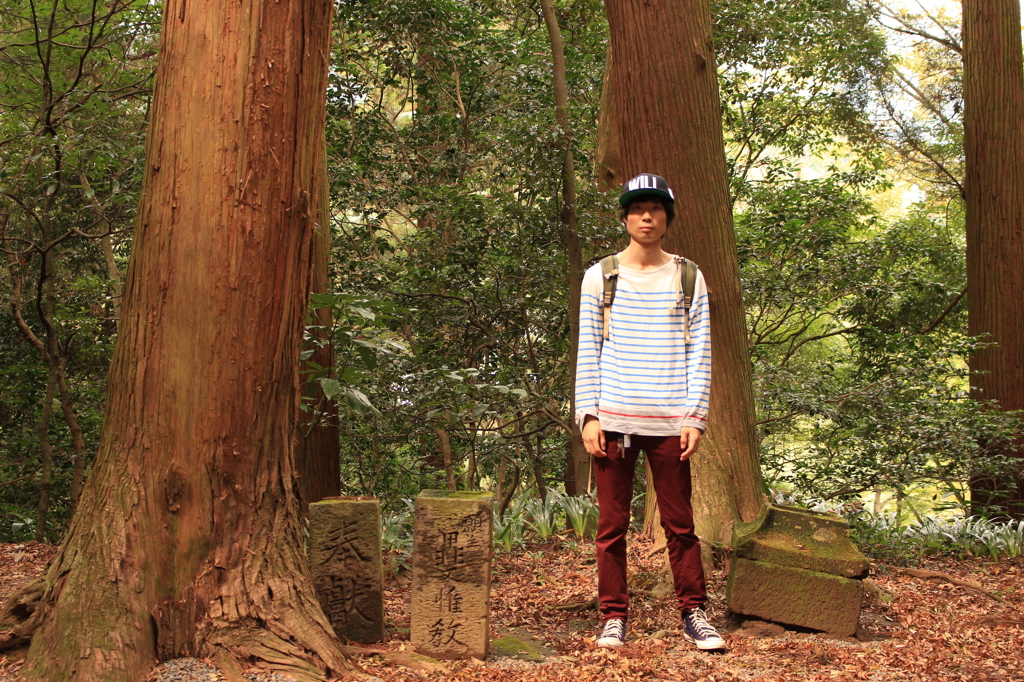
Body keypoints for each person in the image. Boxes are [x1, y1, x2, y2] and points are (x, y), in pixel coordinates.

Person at [574, 173, 725, 651]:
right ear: (624, 217)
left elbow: (701, 349)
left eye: (655, 209)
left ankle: (695, 613)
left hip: (669, 420)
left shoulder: (688, 275)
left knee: (680, 524)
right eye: (637, 208)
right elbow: (588, 348)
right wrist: (588, 415)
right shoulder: (602, 275)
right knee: (610, 526)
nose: (646, 216)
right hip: (614, 417)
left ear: (667, 218)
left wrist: (694, 416)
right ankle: (613, 616)